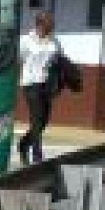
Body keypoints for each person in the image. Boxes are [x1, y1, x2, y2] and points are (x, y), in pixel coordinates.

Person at [17, 10, 62, 164]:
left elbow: (58, 60)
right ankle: (37, 157)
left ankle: (23, 144)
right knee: (36, 120)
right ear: (39, 24)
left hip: (47, 85)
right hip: (31, 84)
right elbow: (19, 60)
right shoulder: (25, 40)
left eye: (52, 26)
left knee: (43, 122)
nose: (51, 29)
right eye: (48, 25)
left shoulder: (54, 41)